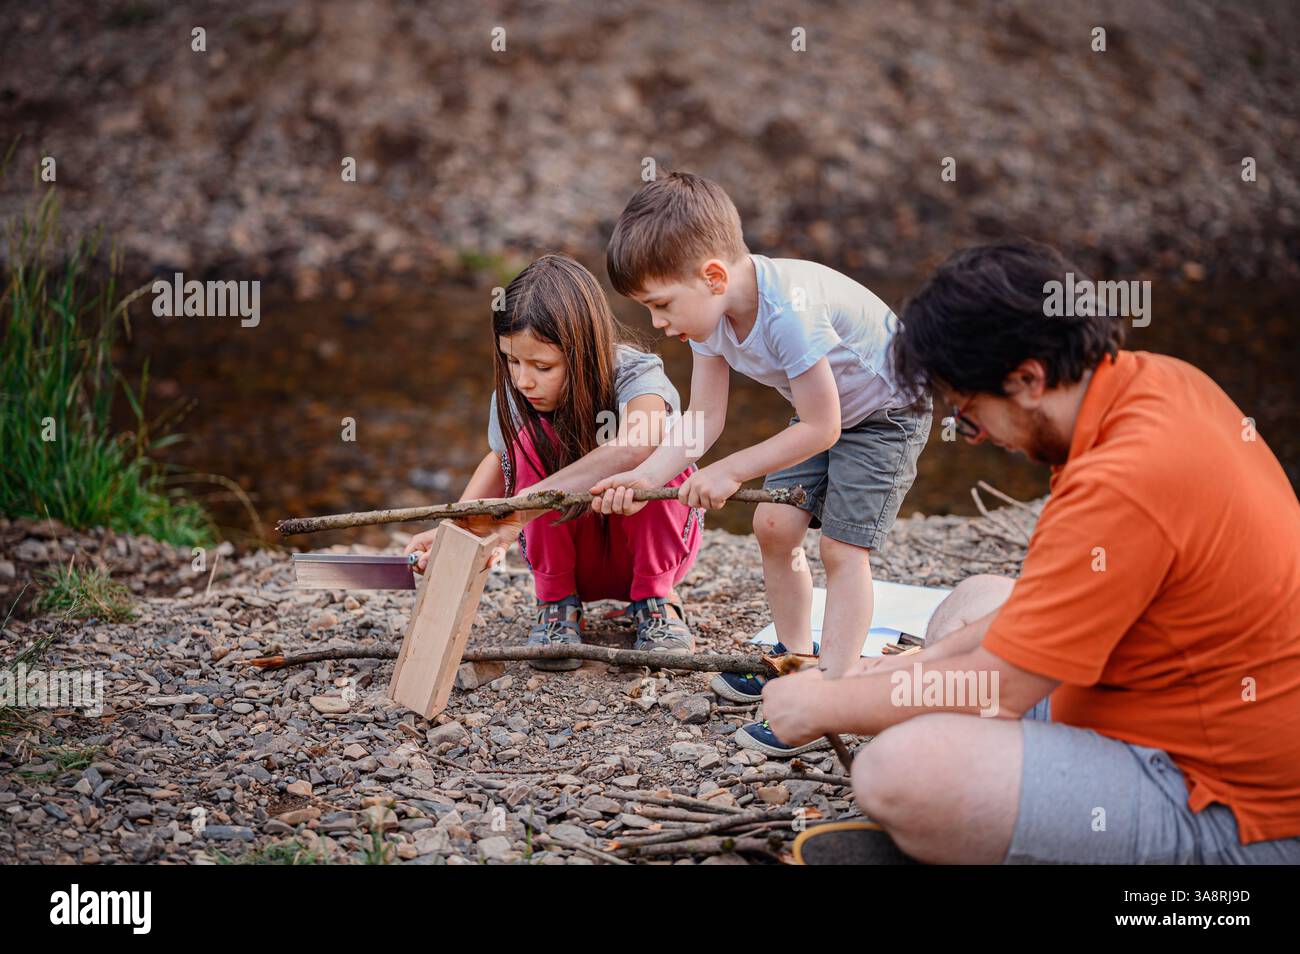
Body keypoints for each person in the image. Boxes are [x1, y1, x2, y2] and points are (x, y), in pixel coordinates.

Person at [762, 239, 1300, 862]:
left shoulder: (1125, 480)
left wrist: (829, 698)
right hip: (1150, 694)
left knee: (898, 771)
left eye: (969, 413)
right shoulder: (1155, 384)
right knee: (974, 599)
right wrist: (897, 676)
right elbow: (1028, 621)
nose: (974, 437)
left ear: (1027, 379)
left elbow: (1003, 686)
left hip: (1228, 803)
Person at [592, 172, 930, 755]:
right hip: (825, 413)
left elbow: (824, 429)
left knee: (843, 550)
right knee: (773, 525)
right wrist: (646, 477)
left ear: (714, 276)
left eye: (661, 305)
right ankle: (796, 661)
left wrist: (731, 471)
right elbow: (703, 419)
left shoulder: (789, 312)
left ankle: (832, 697)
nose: (657, 324)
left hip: (887, 414)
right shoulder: (710, 318)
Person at [405, 254, 700, 669]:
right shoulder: (516, 394)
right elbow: (499, 461)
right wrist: (457, 528)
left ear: (583, 352)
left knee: (667, 443)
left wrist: (522, 507)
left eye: (542, 366)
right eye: (511, 361)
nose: (524, 380)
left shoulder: (635, 373)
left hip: (644, 552)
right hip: (567, 556)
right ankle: (557, 605)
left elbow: (636, 445)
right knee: (528, 441)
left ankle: (655, 602)